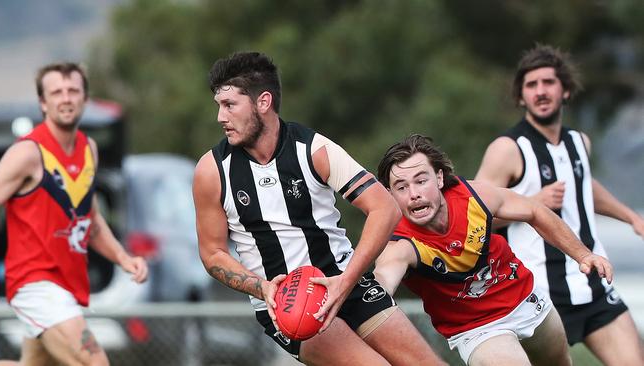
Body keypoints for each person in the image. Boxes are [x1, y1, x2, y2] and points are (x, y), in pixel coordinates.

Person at [193, 51, 445, 365]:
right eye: (219, 105)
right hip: (288, 305)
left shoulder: (314, 150)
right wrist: (263, 289)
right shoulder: (212, 171)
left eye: (230, 105)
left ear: (263, 102)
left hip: (346, 282)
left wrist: (346, 280)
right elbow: (213, 253)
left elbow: (385, 209)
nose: (220, 117)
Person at [374, 134, 614, 366]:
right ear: (389, 194)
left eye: (420, 180)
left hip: (524, 297)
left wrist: (583, 254)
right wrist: (364, 291)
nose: (414, 194)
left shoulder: (473, 196)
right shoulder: (399, 243)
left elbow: (534, 211)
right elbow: (384, 276)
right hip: (477, 328)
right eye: (401, 187)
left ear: (438, 178)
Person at [475, 44, 644, 365]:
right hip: (537, 297)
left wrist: (630, 218)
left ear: (565, 91)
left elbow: (583, 188)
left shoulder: (579, 142)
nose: (540, 91)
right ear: (520, 97)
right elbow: (470, 218)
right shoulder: (507, 149)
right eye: (531, 85)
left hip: (592, 284)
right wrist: (531, 203)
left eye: (548, 83)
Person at [0, 62, 148, 366]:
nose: (66, 98)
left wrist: (123, 257)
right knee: (94, 362)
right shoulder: (27, 153)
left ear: (84, 99)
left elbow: (90, 221)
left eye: (73, 90)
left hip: (67, 287)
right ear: (43, 102)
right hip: (35, 286)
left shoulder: (88, 148)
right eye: (56, 92)